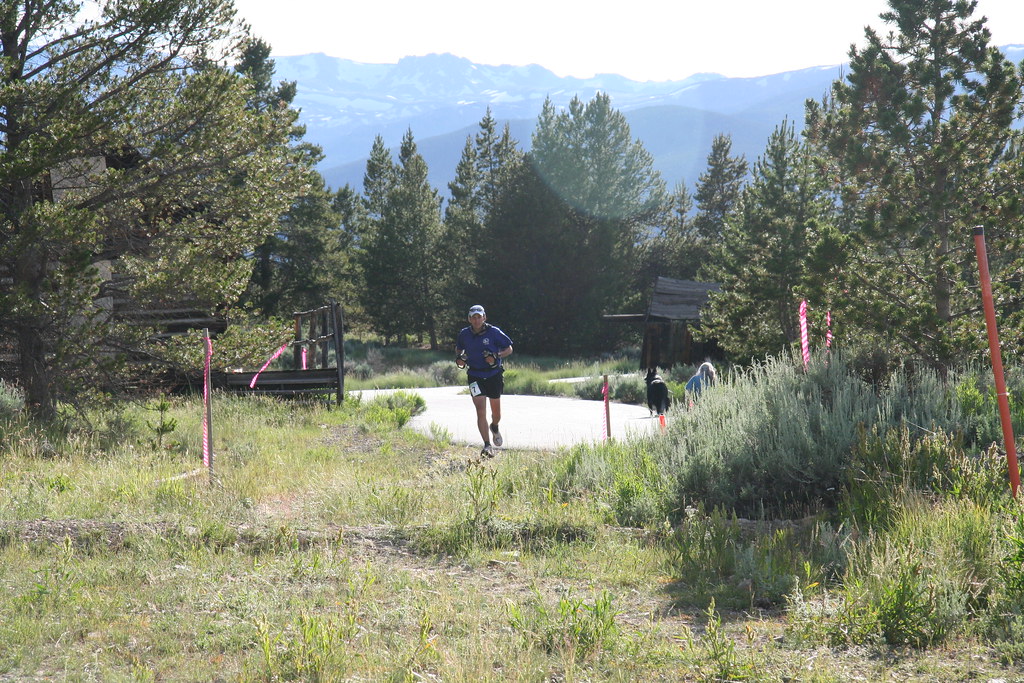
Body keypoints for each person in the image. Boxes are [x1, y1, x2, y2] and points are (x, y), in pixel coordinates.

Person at [455, 304, 513, 457]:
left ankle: (494, 426)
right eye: (473, 317)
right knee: (480, 411)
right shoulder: (464, 334)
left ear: (484, 317)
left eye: (479, 317)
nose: (476, 320)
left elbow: (509, 348)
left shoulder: (494, 332)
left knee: (496, 414)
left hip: (493, 374)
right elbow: (459, 348)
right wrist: (461, 358)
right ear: (469, 319)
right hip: (474, 375)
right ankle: (487, 446)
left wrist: (496, 356)